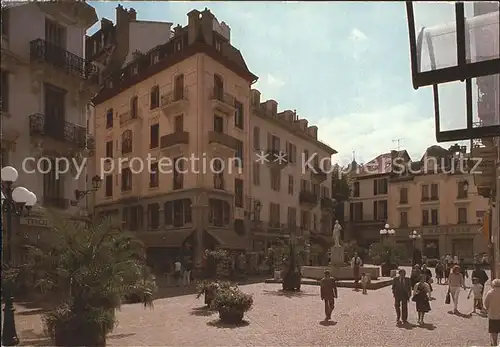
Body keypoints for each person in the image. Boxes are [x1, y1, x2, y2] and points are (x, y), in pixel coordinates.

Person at [485, 279, 500, 346]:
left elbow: (486, 303)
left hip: (493, 315)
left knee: (494, 332)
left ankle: (494, 343)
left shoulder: (490, 292)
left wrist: (488, 309)